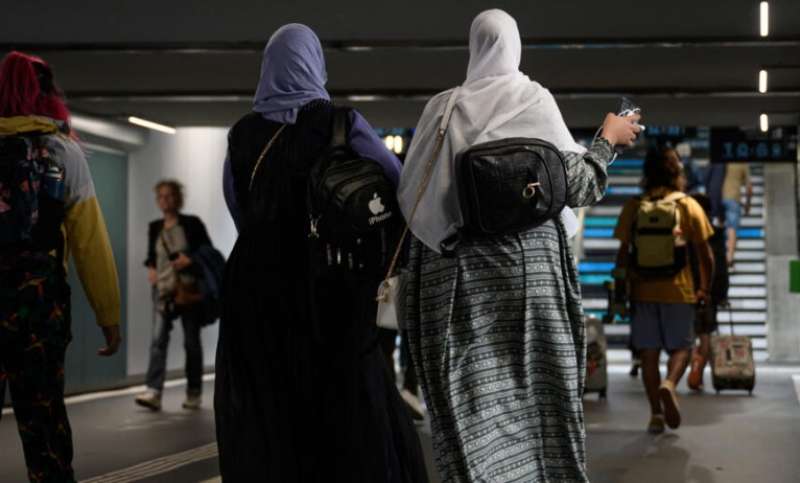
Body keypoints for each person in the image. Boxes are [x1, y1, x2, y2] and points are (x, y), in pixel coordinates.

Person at [399, 10, 641, 482]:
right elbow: (578, 184)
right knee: (540, 395)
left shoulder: (443, 108)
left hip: (458, 280)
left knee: (468, 399)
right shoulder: (532, 98)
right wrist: (607, 142)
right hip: (531, 277)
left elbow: (413, 196)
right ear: (515, 46)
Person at [216, 24, 428, 482]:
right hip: (329, 280)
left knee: (268, 399)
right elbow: (399, 183)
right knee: (343, 392)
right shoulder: (341, 123)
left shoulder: (242, 135)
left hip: (254, 285)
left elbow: (237, 206)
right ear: (315, 64)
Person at [0, 51, 121, 483]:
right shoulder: (62, 151)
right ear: (47, 93)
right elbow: (90, 243)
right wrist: (109, 315)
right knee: (43, 423)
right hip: (40, 309)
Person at [614, 146, 713, 434]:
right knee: (682, 348)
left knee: (648, 354)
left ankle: (655, 414)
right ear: (677, 172)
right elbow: (705, 254)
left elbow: (622, 253)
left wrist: (621, 286)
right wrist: (705, 287)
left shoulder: (634, 205)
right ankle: (669, 384)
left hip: (642, 290)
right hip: (679, 291)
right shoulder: (687, 205)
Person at [135, 180, 213, 411]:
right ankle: (154, 391)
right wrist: (151, 269)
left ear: (178, 198)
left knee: (191, 342)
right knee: (157, 341)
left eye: (169, 196)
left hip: (187, 289)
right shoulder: (155, 226)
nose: (165, 200)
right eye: (160, 196)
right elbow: (152, 255)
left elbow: (207, 252)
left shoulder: (192, 224)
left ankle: (194, 392)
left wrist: (191, 260)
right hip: (163, 289)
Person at [687, 193, 729, 390]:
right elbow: (720, 266)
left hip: (686, 290)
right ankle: (699, 372)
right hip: (709, 292)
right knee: (705, 334)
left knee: (688, 333)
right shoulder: (716, 234)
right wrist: (721, 293)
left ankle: (693, 362)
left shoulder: (685, 231)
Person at [721, 162, 752, 265]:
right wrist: (747, 204)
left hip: (720, 198)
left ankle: (722, 254)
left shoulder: (724, 161)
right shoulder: (743, 163)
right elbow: (749, 187)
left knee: (722, 227)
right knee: (732, 228)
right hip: (734, 198)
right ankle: (729, 258)